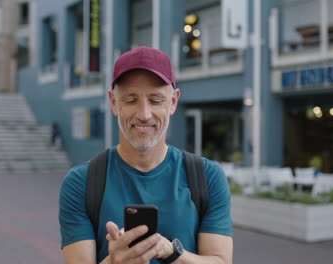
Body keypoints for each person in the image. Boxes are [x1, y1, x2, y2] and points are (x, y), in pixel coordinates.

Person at [59, 46, 233, 264]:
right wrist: (114, 261)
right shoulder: (81, 183)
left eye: (156, 100)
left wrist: (170, 252)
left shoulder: (207, 176)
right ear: (114, 102)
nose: (144, 114)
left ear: (173, 102)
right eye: (131, 100)